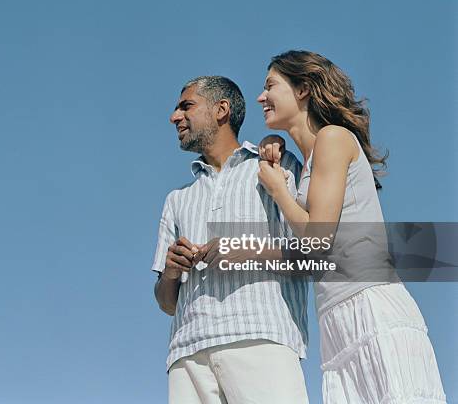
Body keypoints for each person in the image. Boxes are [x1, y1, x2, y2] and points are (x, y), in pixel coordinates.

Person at [254, 50, 446, 403]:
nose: (260, 97)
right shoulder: (310, 160)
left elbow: (317, 237)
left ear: (303, 90)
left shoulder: (333, 138)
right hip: (336, 320)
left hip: (369, 304)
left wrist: (279, 189)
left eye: (270, 86)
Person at [152, 75, 310, 404]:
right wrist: (170, 271)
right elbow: (167, 303)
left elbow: (312, 254)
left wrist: (239, 249)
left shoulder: (275, 167)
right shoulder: (176, 199)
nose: (174, 116)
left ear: (221, 110)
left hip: (261, 339)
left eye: (186, 106)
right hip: (187, 355)